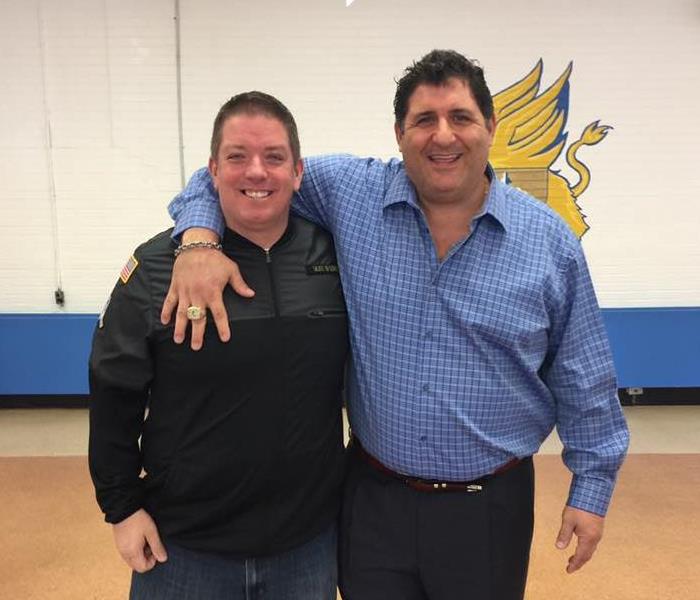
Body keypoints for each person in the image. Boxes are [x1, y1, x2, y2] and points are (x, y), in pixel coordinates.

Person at [163, 50, 629, 600]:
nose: (443, 136)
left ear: (491, 127)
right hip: (372, 500)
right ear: (398, 133)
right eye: (424, 120)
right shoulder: (351, 194)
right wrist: (198, 239)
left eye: (460, 117)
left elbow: (583, 373)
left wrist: (591, 488)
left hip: (488, 510)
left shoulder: (548, 242)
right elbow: (234, 172)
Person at [89, 91, 348, 600]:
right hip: (183, 550)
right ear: (211, 170)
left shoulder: (336, 258)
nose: (256, 172)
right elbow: (112, 389)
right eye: (237, 157)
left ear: (298, 172)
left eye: (274, 157)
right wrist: (121, 508)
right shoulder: (158, 267)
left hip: (306, 548)